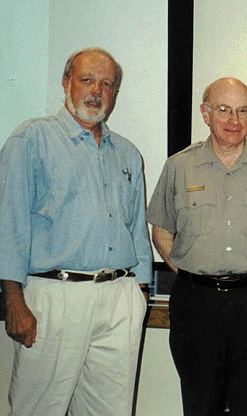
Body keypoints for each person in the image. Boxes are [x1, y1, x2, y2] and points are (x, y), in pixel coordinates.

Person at [0, 47, 152, 415]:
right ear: (66, 82)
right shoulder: (31, 139)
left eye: (107, 84)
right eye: (87, 80)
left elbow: (136, 229)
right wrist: (13, 300)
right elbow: (9, 224)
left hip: (119, 297)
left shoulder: (128, 153)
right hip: (55, 296)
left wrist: (140, 294)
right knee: (38, 409)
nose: (97, 91)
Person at [147, 77, 247, 416]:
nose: (234, 120)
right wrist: (188, 272)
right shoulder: (179, 166)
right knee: (200, 402)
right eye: (224, 110)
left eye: (243, 111)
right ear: (205, 114)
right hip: (196, 302)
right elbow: (160, 229)